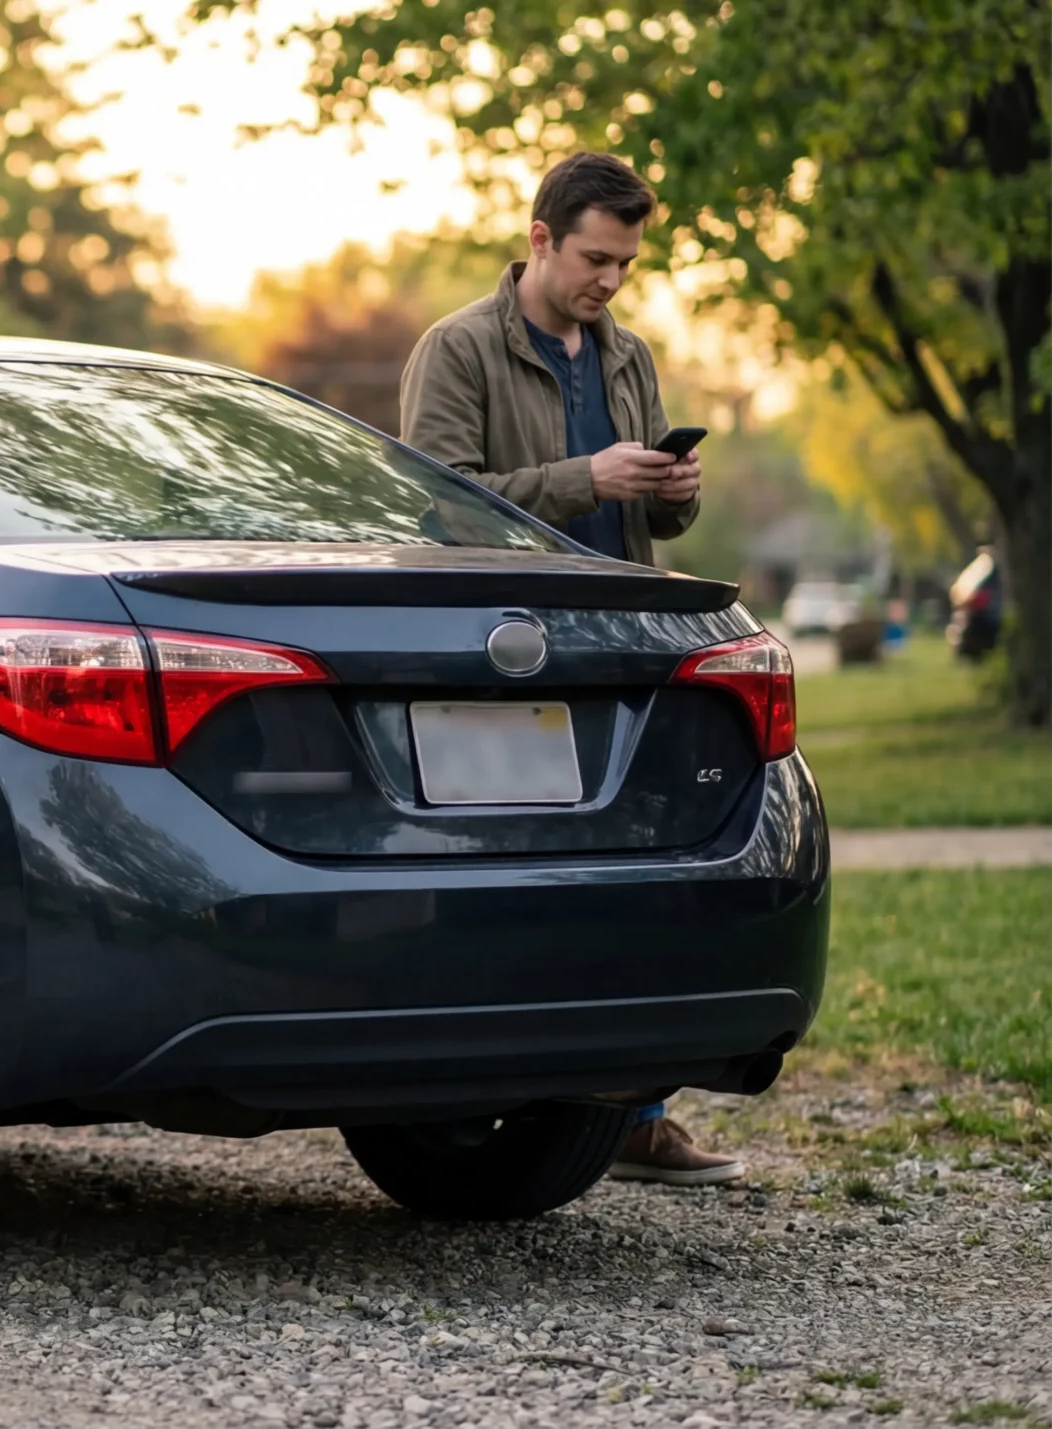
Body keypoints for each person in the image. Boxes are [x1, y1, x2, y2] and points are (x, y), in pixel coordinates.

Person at [397, 150, 743, 1188]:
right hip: (502, 651)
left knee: (631, 877)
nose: (611, 280)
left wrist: (673, 486)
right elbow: (439, 506)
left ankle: (634, 1115)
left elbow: (659, 520)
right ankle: (463, 1101)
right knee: (510, 882)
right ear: (540, 239)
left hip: (617, 647)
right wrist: (581, 478)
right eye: (596, 258)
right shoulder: (456, 348)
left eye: (627, 263)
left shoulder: (628, 355)